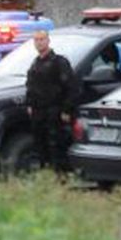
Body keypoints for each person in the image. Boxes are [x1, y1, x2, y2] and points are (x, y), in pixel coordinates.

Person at [26, 30, 79, 171]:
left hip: (55, 111)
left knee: (56, 145)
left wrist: (67, 109)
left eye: (42, 39)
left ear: (48, 41)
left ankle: (60, 176)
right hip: (39, 113)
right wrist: (30, 105)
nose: (39, 42)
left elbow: (71, 87)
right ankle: (46, 176)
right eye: (36, 39)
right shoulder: (35, 63)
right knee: (40, 146)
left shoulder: (59, 62)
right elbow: (30, 86)